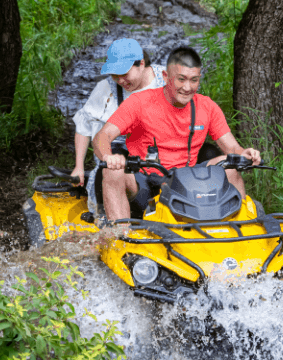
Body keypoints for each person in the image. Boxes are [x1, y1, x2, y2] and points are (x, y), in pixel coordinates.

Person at [93, 46, 261, 222]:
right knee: (113, 171)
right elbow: (102, 136)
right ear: (166, 77)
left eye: (193, 80)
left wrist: (245, 154)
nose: (187, 87)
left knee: (230, 164)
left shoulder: (207, 107)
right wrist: (108, 156)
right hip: (146, 183)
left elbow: (232, 147)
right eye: (181, 79)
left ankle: (243, 229)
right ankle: (121, 237)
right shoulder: (139, 102)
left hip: (189, 184)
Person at [70, 38, 166, 185]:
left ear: (141, 64)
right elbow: (84, 125)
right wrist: (79, 166)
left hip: (161, 149)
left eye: (124, 74)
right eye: (115, 75)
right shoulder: (106, 89)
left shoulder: (166, 80)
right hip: (119, 155)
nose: (120, 81)